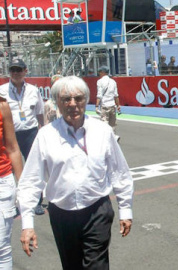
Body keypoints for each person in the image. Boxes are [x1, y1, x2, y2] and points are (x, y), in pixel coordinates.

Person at [17, 76, 133, 269]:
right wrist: (27, 224)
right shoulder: (46, 135)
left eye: (78, 98)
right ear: (57, 103)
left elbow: (119, 172)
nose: (73, 104)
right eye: (66, 99)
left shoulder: (102, 131)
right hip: (62, 214)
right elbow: (31, 181)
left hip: (96, 210)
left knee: (96, 266)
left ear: (86, 100)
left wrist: (126, 210)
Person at [0, 59, 45, 215]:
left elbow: (39, 112)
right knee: (10, 169)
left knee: (34, 168)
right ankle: (11, 202)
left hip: (30, 133)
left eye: (19, 70)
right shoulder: (2, 91)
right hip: (10, 135)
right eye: (13, 70)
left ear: (25, 71)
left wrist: (43, 131)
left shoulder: (34, 90)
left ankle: (37, 201)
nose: (16, 73)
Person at [0, 78, 23, 269]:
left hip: (2, 182)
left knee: (1, 248)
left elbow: (13, 148)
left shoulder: (2, 106)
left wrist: (22, 185)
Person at [95, 66, 121, 136]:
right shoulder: (113, 81)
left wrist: (97, 106)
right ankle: (113, 138)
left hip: (104, 105)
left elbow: (99, 95)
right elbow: (116, 95)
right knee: (112, 124)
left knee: (104, 123)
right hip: (112, 105)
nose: (99, 74)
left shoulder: (100, 82)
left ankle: (106, 138)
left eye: (100, 72)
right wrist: (118, 105)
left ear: (102, 72)